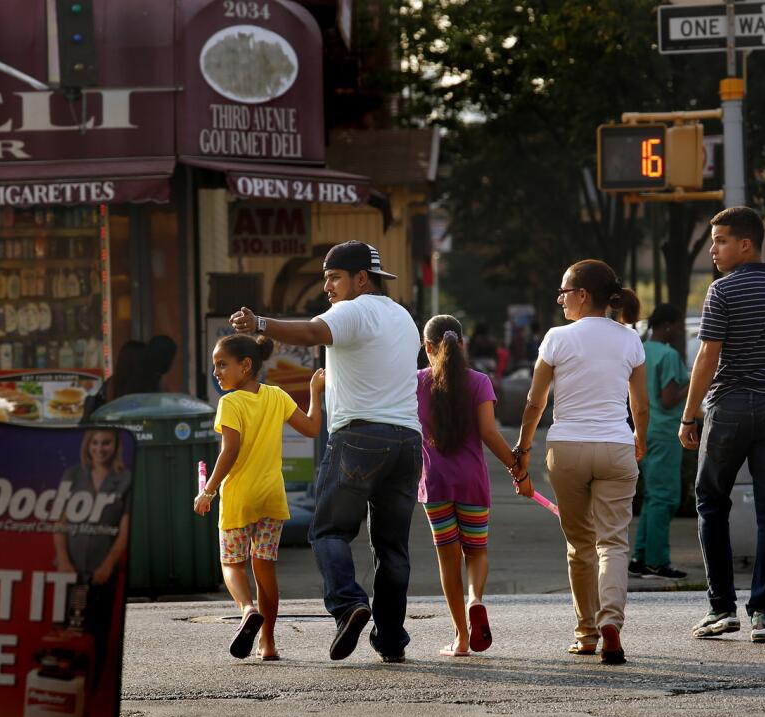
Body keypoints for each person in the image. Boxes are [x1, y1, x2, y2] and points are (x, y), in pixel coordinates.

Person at [229, 240, 422, 664]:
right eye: (326, 279)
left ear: (362, 279)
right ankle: (391, 639)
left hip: (358, 437)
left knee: (329, 532)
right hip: (408, 441)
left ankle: (348, 604)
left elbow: (314, 333)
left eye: (335, 277)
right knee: (392, 548)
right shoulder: (404, 318)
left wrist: (260, 322)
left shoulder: (354, 310)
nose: (329, 287)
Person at [680, 206, 765, 644]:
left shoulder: (722, 292)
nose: (712, 249)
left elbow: (708, 356)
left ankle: (721, 609)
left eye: (719, 241)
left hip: (729, 409)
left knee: (711, 502)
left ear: (745, 244)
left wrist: (689, 413)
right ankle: (764, 613)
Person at [512, 260, 648, 665]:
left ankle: (586, 632)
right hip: (616, 448)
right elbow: (639, 405)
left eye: (564, 292)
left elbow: (536, 402)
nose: (560, 300)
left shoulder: (556, 338)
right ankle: (612, 623)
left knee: (580, 543)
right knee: (613, 542)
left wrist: (523, 448)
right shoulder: (630, 340)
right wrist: (640, 439)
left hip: (567, 448)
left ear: (583, 295)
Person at [193, 334, 325, 660]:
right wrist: (314, 392)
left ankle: (247, 609)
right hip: (271, 498)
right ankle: (268, 644)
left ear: (246, 365)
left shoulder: (230, 403)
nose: (217, 373)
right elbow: (310, 428)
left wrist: (208, 491)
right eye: (215, 366)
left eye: (222, 365)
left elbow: (230, 451)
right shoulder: (276, 395)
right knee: (265, 572)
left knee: (232, 564)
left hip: (239, 497)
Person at [416, 315, 530, 657]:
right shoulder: (479, 382)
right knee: (476, 551)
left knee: (448, 559)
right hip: (472, 484)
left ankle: (461, 638)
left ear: (428, 348)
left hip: (435, 484)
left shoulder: (416, 382)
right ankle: (475, 599)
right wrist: (518, 469)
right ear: (462, 345)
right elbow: (489, 434)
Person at [53, 428, 133, 683]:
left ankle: (92, 687)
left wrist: (108, 566)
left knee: (98, 632)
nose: (100, 448)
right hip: (70, 570)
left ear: (115, 446)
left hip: (103, 572)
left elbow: (124, 529)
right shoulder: (73, 475)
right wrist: (64, 562)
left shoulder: (125, 479)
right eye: (95, 443)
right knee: (66, 630)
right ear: (87, 446)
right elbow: (60, 522)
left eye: (106, 443)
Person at [631, 303, 690, 580]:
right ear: (668, 325)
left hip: (645, 429)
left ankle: (640, 557)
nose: (681, 331)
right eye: (679, 325)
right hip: (666, 431)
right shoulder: (668, 355)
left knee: (653, 497)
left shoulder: (640, 351)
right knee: (665, 498)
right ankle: (656, 562)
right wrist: (693, 383)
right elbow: (668, 399)